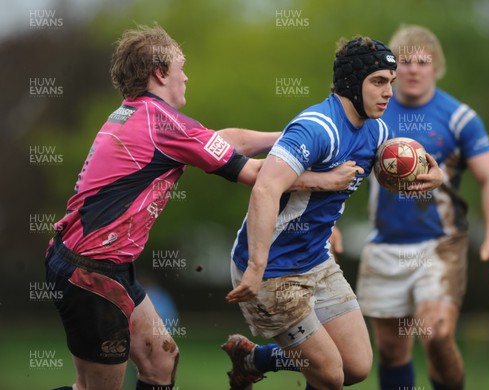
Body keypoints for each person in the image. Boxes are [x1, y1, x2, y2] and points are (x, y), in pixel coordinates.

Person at [45, 24, 359, 390]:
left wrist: (297, 136)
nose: (186, 76)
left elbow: (226, 140)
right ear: (160, 73)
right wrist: (327, 181)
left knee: (160, 361)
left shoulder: (140, 114)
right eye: (181, 67)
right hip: (91, 273)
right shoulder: (163, 123)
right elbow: (260, 173)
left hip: (99, 265)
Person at [221, 36, 444, 390]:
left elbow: (388, 173)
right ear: (352, 84)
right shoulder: (316, 127)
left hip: (316, 260)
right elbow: (265, 187)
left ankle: (255, 358)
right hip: (273, 269)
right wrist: (255, 269)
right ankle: (279, 361)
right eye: (378, 82)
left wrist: (432, 175)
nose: (388, 92)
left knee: (356, 367)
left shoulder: (378, 129)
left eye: (391, 82)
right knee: (329, 375)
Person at [353, 25, 489, 390]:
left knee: (437, 336)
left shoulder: (459, 118)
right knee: (391, 351)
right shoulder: (372, 114)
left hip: (441, 245)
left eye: (422, 62)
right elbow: (337, 168)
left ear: (436, 67)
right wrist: (327, 226)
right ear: (390, 69)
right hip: (384, 245)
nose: (412, 70)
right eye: (404, 62)